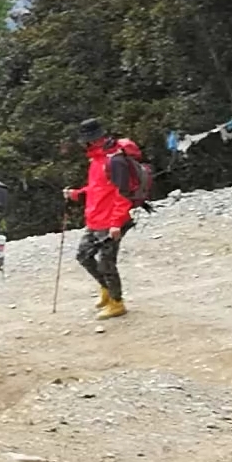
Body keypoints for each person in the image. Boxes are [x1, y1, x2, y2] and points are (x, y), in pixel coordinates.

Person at [64, 118, 134, 320]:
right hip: (95, 218)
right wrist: (76, 194)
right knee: (83, 256)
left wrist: (116, 223)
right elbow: (97, 189)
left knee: (106, 263)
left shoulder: (115, 160)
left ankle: (117, 303)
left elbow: (124, 193)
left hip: (111, 220)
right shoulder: (96, 159)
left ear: (95, 139)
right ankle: (106, 288)